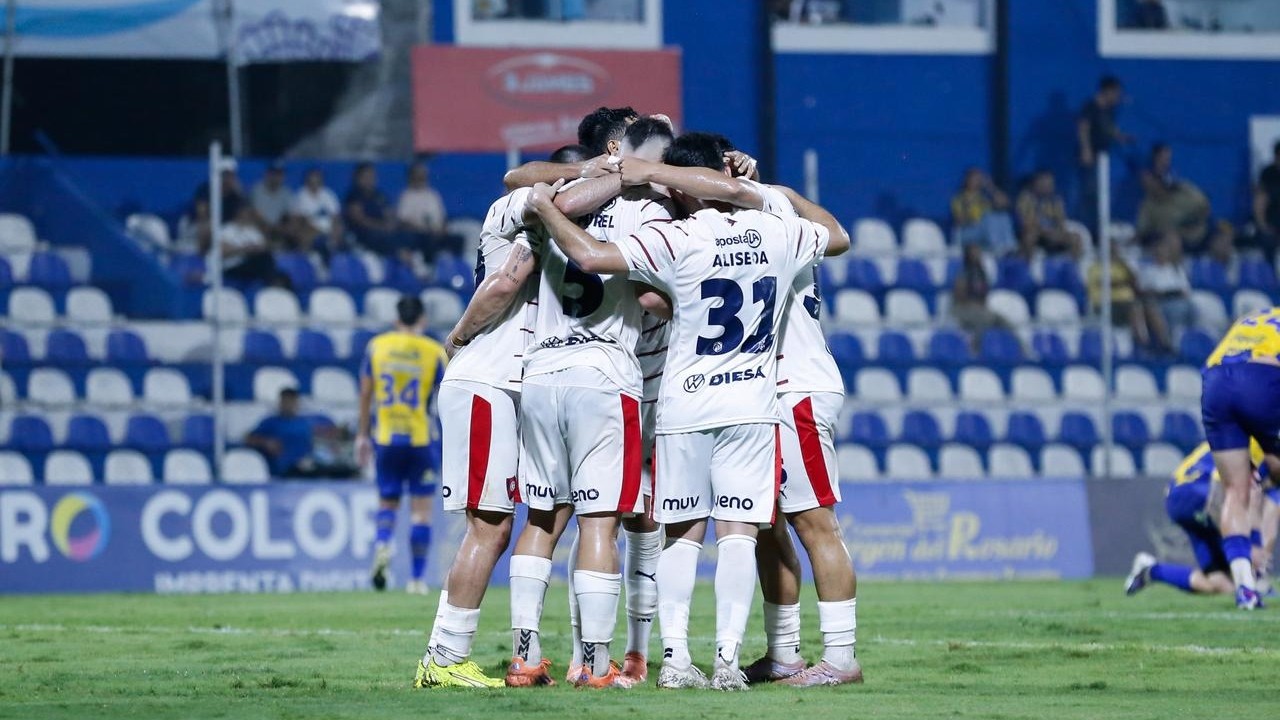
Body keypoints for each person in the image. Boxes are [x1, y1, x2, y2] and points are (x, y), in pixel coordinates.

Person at [529, 131, 850, 691]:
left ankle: (676, 660)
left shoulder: (675, 237)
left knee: (681, 532)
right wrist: (761, 189)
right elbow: (837, 236)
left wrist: (546, 211)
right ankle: (728, 661)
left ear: (683, 185)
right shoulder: (776, 228)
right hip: (753, 400)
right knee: (742, 533)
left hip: (686, 401)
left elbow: (596, 260)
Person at [619, 141, 864, 687]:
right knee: (764, 524)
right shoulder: (755, 219)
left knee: (812, 520)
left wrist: (773, 189)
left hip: (792, 386)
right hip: (756, 394)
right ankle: (783, 654)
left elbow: (842, 238)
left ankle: (843, 659)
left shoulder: (765, 209)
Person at [415, 144, 598, 690]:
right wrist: (458, 336)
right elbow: (503, 283)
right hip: (487, 382)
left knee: (546, 510)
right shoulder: (523, 205)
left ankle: (514, 650)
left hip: (520, 388)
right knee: (490, 526)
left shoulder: (559, 229)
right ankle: (444, 659)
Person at [503, 118, 676, 690]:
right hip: (604, 377)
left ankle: (525, 656)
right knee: (601, 523)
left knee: (542, 521)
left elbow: (521, 184)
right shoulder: (644, 213)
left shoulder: (559, 201)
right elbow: (653, 296)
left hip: (542, 372)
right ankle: (597, 665)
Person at [356, 296, 447, 596]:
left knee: (387, 502)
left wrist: (361, 435)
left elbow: (366, 394)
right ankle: (417, 580)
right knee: (421, 512)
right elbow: (445, 399)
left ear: (397, 319)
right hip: (421, 438)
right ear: (422, 319)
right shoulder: (434, 351)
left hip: (385, 436)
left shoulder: (377, 346)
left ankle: (383, 544)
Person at [1200, 308, 1280, 608]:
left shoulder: (1254, 316)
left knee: (1235, 489)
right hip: (1262, 377)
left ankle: (1245, 588)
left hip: (1215, 379)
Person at [1125, 441, 1278, 598]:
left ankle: (1151, 571)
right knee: (1242, 568)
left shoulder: (1244, 436)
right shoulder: (1258, 445)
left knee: (1221, 585)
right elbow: (1245, 496)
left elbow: (1270, 511)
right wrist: (1254, 545)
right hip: (1197, 493)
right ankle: (1255, 581)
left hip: (1178, 496)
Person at [246, 388, 351, 478]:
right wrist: (266, 442)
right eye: (285, 401)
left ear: (296, 403)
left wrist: (338, 434)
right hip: (287, 468)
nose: (288, 405)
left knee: (344, 471)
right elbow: (248, 438)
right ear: (280, 402)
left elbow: (322, 434)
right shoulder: (271, 422)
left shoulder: (304, 421)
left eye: (291, 401)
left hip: (310, 464)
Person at [1077, 75, 1131, 234]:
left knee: (1100, 194)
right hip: (1091, 158)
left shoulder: (1109, 111)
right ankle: (1087, 230)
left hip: (1102, 159)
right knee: (1088, 193)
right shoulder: (1091, 107)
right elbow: (1083, 127)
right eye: (1116, 93)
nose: (1118, 98)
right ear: (1108, 91)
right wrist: (1085, 150)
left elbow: (1109, 129)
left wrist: (1121, 137)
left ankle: (1099, 230)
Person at [1137, 144, 1211, 252]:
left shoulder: (1184, 191)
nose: (1165, 163)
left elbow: (1204, 204)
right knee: (1171, 239)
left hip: (1197, 235)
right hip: (1171, 241)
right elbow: (1142, 231)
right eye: (1162, 159)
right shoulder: (1148, 205)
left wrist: (1191, 222)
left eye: (1167, 159)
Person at [398, 160, 463, 262]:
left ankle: (457, 269)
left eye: (423, 174)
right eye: (418, 175)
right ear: (412, 176)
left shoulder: (432, 195)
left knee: (458, 240)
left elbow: (443, 217)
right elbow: (403, 221)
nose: (422, 177)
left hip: (437, 232)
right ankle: (430, 270)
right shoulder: (406, 196)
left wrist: (442, 229)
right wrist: (423, 229)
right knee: (428, 241)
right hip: (420, 234)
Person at [207, 203, 286, 287]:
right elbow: (223, 252)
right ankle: (273, 285)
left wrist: (254, 249)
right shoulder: (226, 230)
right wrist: (244, 249)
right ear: (238, 214)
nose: (248, 216)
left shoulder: (254, 232)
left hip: (251, 265)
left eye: (249, 213)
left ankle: (275, 284)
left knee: (267, 260)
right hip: (231, 267)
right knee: (265, 262)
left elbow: (262, 249)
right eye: (245, 213)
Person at [951, 241, 1012, 348]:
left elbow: (984, 296)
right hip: (962, 309)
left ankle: (1022, 349)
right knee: (983, 320)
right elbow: (959, 297)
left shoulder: (982, 274)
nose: (977, 254)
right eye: (973, 251)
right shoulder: (963, 273)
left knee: (1003, 321)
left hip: (979, 309)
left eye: (978, 251)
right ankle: (975, 348)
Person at [1139, 231, 1196, 344]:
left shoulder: (1176, 269)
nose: (1161, 252)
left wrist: (1167, 293)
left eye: (1164, 249)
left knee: (1193, 307)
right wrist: (1164, 294)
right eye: (1158, 249)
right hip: (1160, 305)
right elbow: (1146, 293)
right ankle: (1166, 342)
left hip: (1179, 303)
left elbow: (1185, 291)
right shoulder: (1148, 271)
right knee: (1151, 307)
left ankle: (1191, 341)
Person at [344, 163, 409, 259]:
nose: (371, 179)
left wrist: (391, 224)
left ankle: (416, 260)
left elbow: (389, 214)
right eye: (367, 176)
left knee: (405, 235)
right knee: (382, 237)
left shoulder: (380, 196)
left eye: (373, 176)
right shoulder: (353, 196)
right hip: (364, 233)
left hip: (383, 231)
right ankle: (404, 258)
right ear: (358, 178)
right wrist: (381, 227)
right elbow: (359, 220)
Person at [950, 167, 1017, 256]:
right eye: (975, 178)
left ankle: (1010, 246)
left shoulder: (983, 198)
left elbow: (1005, 203)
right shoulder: (960, 199)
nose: (977, 181)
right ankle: (996, 249)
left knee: (1003, 216)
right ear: (967, 180)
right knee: (988, 218)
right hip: (967, 232)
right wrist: (972, 217)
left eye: (979, 179)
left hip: (985, 231)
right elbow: (958, 221)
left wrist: (990, 187)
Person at [1016, 170, 1082, 259]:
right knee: (1029, 237)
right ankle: (1028, 267)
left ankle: (1071, 267)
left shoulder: (1056, 200)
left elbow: (1061, 221)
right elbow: (1027, 223)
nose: (1048, 186)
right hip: (1037, 234)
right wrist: (1046, 232)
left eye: (1050, 184)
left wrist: (1057, 233)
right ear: (1036, 183)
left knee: (1075, 238)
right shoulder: (1026, 198)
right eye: (1044, 183)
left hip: (1053, 233)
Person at [291, 167, 345, 254]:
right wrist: (317, 231)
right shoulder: (300, 196)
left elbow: (336, 216)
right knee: (305, 233)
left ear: (321, 181)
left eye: (317, 180)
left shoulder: (328, 194)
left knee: (339, 228)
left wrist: (334, 230)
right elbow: (297, 219)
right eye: (312, 180)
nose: (314, 183)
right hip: (310, 230)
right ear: (307, 181)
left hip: (329, 230)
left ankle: (335, 252)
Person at [1251, 140, 1280, 259]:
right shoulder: (1268, 174)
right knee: (1267, 240)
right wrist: (1263, 226)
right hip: (1272, 223)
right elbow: (1260, 202)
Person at [251, 161, 293, 242]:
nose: (276, 177)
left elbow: (290, 214)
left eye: (279, 174)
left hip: (280, 228)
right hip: (260, 227)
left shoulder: (286, 192)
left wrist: (281, 227)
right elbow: (256, 214)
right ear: (268, 174)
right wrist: (271, 227)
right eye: (274, 173)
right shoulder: (257, 190)